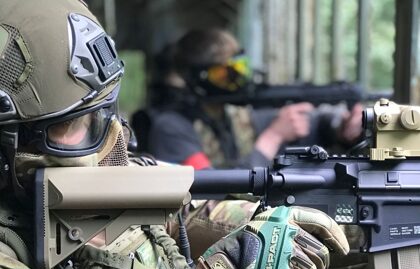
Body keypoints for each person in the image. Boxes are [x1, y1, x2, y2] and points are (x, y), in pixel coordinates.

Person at [0, 1, 349, 269]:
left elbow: (197, 215)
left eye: (108, 111)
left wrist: (328, 219)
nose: (117, 139)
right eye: (76, 124)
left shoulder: (93, 189)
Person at [133, 28, 363, 169]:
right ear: (198, 78)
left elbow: (315, 122)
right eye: (225, 75)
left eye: (240, 69)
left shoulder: (235, 115)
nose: (237, 81)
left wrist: (339, 127)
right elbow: (208, 192)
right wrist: (272, 137)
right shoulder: (171, 128)